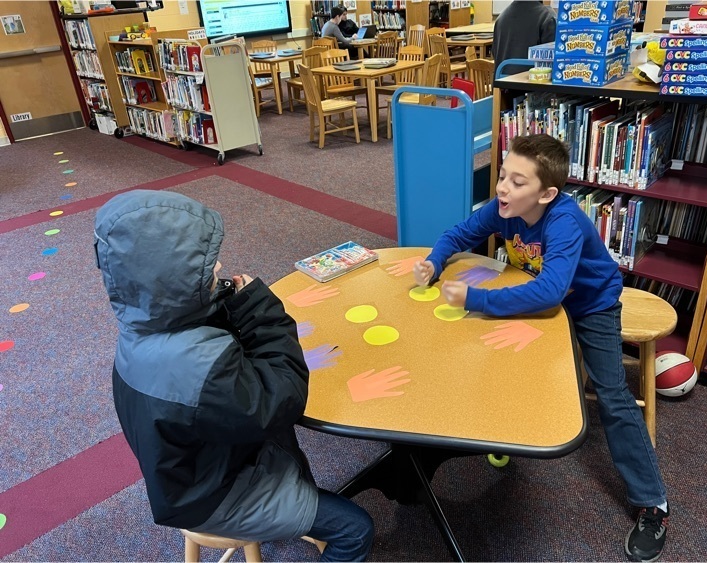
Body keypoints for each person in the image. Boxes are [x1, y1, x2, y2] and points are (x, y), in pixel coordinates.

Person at [413, 135, 670, 563]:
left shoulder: (564, 221)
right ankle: (504, 433)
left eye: (517, 181)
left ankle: (653, 505)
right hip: (537, 295)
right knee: (498, 357)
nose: (501, 188)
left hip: (591, 305)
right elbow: (460, 232)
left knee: (612, 395)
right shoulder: (504, 209)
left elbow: (551, 291)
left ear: (547, 194)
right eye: (501, 175)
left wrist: (475, 300)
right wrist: (434, 261)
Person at [94, 190, 374, 562]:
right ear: (172, 282)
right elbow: (284, 397)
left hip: (186, 476)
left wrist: (221, 305)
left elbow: (210, 366)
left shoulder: (140, 328)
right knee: (355, 529)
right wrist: (259, 310)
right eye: (204, 266)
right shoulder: (200, 365)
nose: (219, 265)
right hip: (215, 497)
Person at [492, 0, 556, 77]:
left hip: (502, 85)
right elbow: (553, 62)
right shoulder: (547, 17)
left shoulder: (500, 19)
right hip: (532, 84)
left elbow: (495, 54)